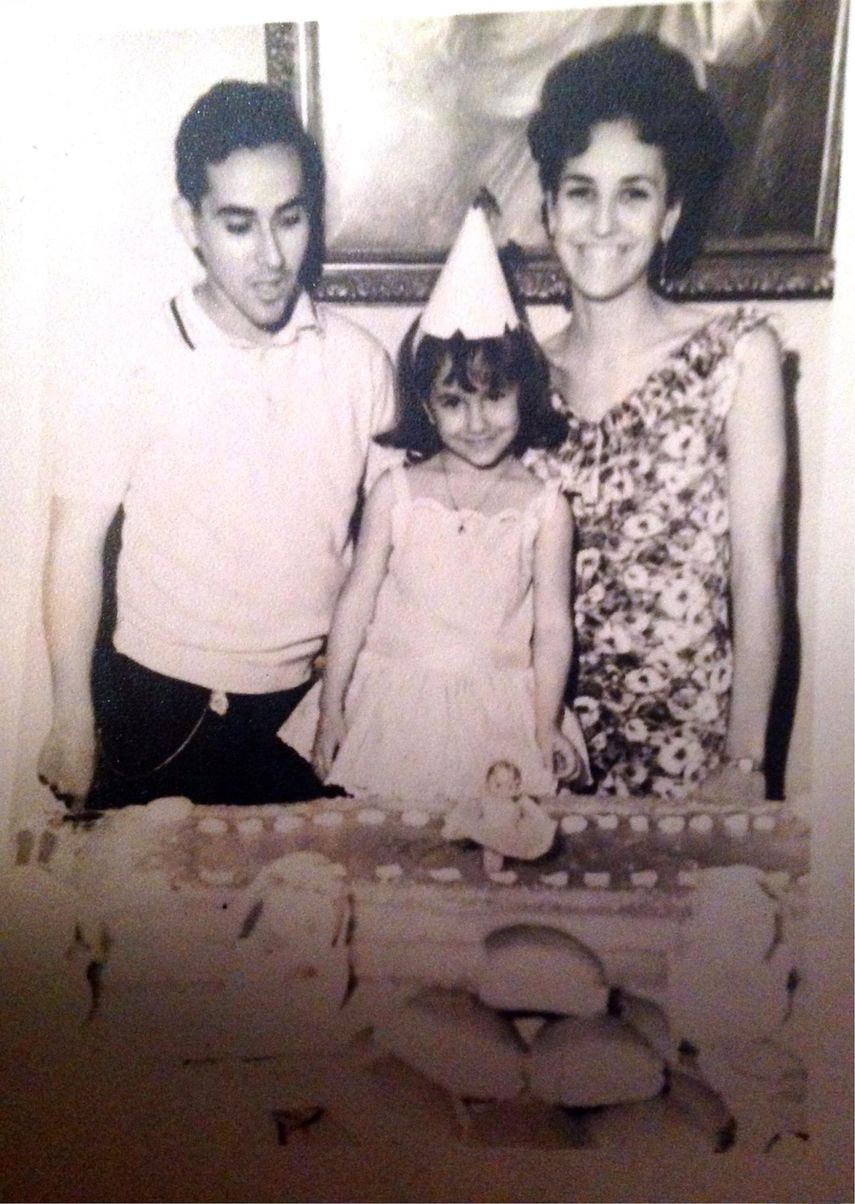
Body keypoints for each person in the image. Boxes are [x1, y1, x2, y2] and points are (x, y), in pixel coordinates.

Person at [37, 80, 395, 810]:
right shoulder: (130, 359)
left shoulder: (361, 363)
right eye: (238, 224)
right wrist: (72, 714)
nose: (269, 255)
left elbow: (395, 545)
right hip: (159, 712)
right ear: (189, 222)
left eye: (288, 219)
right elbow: (75, 544)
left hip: (307, 710)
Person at [523, 33, 785, 800]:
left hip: (690, 765)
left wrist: (744, 762)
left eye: (633, 193)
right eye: (579, 191)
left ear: (669, 213)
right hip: (537, 763)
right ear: (548, 208)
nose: (603, 222)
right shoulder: (515, 380)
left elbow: (757, 574)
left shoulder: (737, 357)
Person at [280, 203, 589, 801]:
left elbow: (552, 627)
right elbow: (355, 604)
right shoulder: (396, 493)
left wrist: (546, 720)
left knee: (492, 857)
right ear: (425, 405)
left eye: (495, 396)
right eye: (454, 402)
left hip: (496, 713)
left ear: (524, 392)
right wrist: (332, 706)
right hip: (395, 708)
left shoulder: (545, 508)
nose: (477, 421)